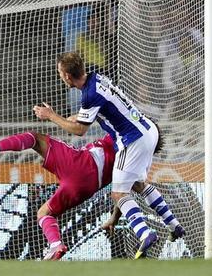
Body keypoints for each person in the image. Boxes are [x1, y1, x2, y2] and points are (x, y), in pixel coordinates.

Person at [32, 51, 185, 259]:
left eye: (60, 73)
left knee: (119, 194)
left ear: (67, 76)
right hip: (148, 129)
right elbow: (89, 114)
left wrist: (51, 116)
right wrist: (62, 118)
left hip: (132, 140)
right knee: (137, 184)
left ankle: (145, 233)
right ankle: (174, 226)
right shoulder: (96, 79)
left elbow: (79, 130)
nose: (60, 76)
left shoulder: (89, 95)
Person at [0, 127, 115, 261]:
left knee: (35, 139)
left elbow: (79, 128)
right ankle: (55, 245)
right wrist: (115, 217)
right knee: (44, 213)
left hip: (83, 165)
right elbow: (130, 189)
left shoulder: (122, 134)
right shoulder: (128, 160)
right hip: (89, 187)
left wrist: (51, 115)